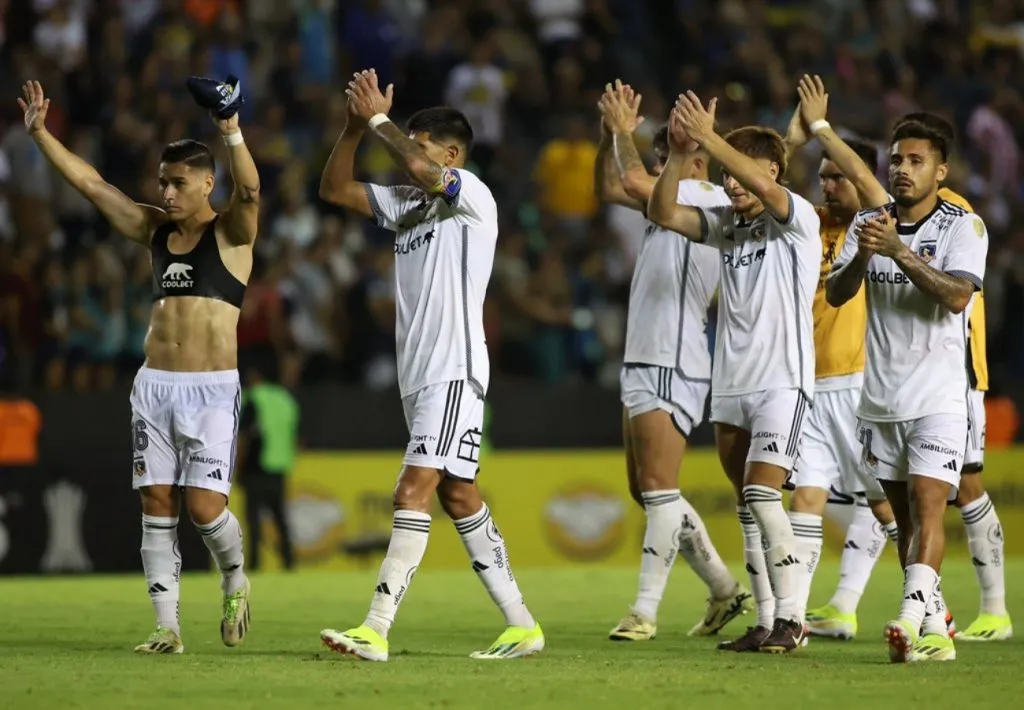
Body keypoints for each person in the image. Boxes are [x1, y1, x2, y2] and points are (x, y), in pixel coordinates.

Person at [17, 79, 259, 654]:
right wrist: (41, 135)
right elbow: (91, 184)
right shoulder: (153, 230)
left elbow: (250, 191)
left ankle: (234, 575)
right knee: (155, 501)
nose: (167, 192)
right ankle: (166, 627)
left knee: (204, 511)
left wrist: (230, 128)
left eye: (178, 183)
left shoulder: (231, 233)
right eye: (162, 182)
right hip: (154, 386)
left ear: (206, 183)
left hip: (210, 390)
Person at [316, 69, 543, 662]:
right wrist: (351, 130)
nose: (406, 153)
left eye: (418, 143)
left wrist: (378, 121)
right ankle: (522, 624)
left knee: (411, 489)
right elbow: (335, 189)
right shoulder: (406, 206)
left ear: (449, 153)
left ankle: (376, 627)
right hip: (417, 373)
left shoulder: (469, 193)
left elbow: (421, 170)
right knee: (459, 495)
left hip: (452, 365)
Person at [648, 92, 821, 654]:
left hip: (781, 381)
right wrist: (679, 155)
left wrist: (712, 135)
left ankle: (794, 619)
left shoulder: (798, 218)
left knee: (763, 495)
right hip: (731, 385)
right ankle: (768, 619)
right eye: (723, 174)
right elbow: (662, 213)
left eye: (739, 171)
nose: (731, 183)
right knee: (748, 506)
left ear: (771, 170)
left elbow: (770, 192)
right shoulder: (727, 224)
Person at [594, 80, 752, 641]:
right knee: (647, 490)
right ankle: (724, 589)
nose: (662, 165)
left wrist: (623, 134)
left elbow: (632, 178)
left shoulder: (708, 200)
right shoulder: (670, 195)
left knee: (660, 488)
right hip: (645, 354)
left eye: (671, 156)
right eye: (661, 155)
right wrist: (608, 132)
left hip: (673, 354)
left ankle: (644, 610)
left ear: (699, 159)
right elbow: (611, 184)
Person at [827, 120, 989, 663]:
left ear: (940, 172)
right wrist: (866, 255)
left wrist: (898, 251)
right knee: (901, 523)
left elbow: (956, 296)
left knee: (927, 511)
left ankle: (906, 617)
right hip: (880, 398)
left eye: (916, 161)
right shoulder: (869, 223)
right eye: (896, 159)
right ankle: (936, 631)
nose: (902, 168)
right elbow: (835, 293)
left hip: (939, 397)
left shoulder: (964, 227)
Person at [778, 76, 897, 640]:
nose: (827, 185)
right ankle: (798, 617)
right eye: (822, 177)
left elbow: (878, 193)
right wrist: (793, 139)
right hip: (808, 383)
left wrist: (823, 130)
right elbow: (761, 182)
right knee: (806, 496)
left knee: (884, 504)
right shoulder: (808, 226)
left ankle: (932, 604)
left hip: (858, 384)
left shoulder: (875, 228)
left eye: (838, 176)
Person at [238, 364, 299, 571]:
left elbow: (244, 436)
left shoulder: (254, 399)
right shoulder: (284, 400)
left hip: (256, 467)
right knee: (281, 519)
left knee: (253, 521)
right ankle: (289, 563)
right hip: (280, 466)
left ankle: (255, 565)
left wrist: (239, 467)